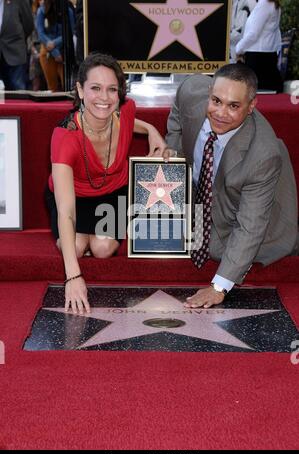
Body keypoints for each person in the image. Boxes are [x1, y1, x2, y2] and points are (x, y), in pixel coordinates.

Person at [166, 63, 298, 309]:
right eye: (216, 101)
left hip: (244, 210)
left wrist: (218, 288)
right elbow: (177, 111)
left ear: (251, 107)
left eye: (234, 106)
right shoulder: (191, 91)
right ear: (209, 93)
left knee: (213, 248)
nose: (221, 113)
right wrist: (172, 149)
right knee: (162, 230)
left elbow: (250, 226)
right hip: (203, 196)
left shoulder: (264, 155)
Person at [46, 52, 167, 314]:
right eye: (95, 88)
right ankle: (82, 239)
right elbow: (66, 212)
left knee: (101, 248)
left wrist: (152, 131)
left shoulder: (124, 110)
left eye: (112, 89)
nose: (104, 97)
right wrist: (73, 277)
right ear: (80, 90)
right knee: (76, 249)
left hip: (112, 192)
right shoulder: (65, 137)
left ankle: (92, 236)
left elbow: (126, 120)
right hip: (73, 197)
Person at [235, 0, 283, 92]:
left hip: (257, 59)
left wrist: (238, 49)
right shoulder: (273, 4)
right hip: (267, 56)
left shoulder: (264, 4)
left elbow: (253, 34)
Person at [36, 0, 75, 91]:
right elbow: (40, 33)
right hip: (48, 49)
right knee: (52, 87)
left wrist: (55, 43)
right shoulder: (42, 11)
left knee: (67, 86)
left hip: (64, 49)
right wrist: (55, 52)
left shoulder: (67, 11)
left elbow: (71, 32)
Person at [0, 0, 34, 90]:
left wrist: (18, 40)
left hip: (15, 52)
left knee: (18, 91)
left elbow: (29, 24)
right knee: (1, 97)